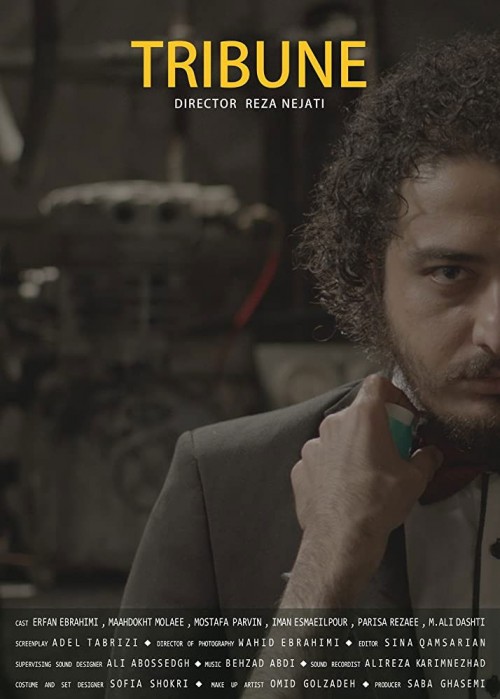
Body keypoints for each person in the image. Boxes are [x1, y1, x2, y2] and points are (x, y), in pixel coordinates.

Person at [109, 33, 500, 697]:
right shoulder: (221, 484)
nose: (495, 331)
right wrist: (328, 560)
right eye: (450, 272)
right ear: (370, 274)